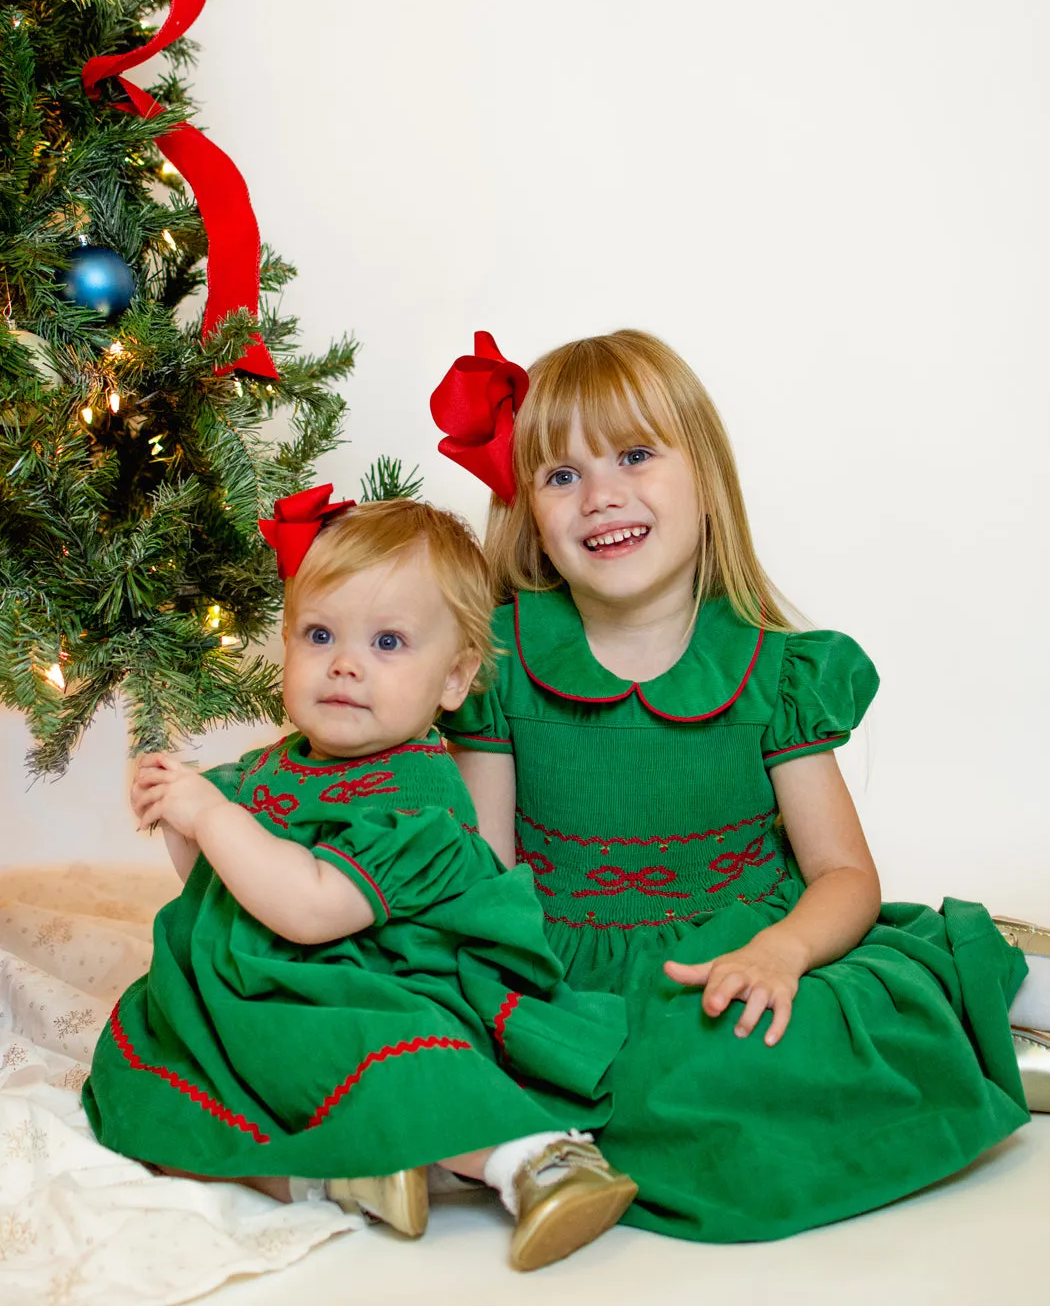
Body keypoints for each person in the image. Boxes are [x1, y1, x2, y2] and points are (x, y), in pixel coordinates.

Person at [434, 329, 1050, 1242]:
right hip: (579, 968)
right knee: (622, 1070)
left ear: (705, 481)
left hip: (748, 940)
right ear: (528, 509)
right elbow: (483, 880)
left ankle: (1000, 996)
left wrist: (783, 953)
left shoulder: (771, 671)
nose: (601, 495)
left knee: (797, 1029)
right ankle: (992, 1021)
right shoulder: (504, 662)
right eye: (561, 475)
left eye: (635, 455)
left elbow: (843, 875)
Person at [83, 492, 638, 1273]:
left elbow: (311, 908)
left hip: (374, 981)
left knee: (392, 1049)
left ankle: (534, 1158)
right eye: (319, 635)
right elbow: (222, 890)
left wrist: (210, 817)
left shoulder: (419, 801)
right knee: (159, 1092)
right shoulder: (274, 766)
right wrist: (182, 823)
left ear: (454, 679)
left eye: (387, 642)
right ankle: (349, 1173)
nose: (345, 664)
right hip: (261, 991)